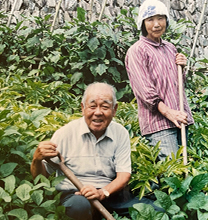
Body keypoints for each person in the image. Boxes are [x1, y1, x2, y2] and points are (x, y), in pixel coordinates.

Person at [30, 82, 156, 220]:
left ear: (114, 110)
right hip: (75, 195)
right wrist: (36, 159)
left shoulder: (120, 133)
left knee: (155, 209)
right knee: (79, 206)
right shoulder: (64, 134)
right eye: (92, 106)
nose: (98, 112)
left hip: (109, 194)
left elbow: (123, 175)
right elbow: (41, 178)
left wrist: (102, 193)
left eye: (105, 107)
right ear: (83, 108)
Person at [125, 0, 194, 160]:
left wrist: (181, 68)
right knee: (170, 173)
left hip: (179, 119)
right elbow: (145, 91)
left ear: (167, 20)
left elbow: (178, 85)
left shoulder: (170, 48)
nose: (156, 24)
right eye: (150, 20)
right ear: (142, 23)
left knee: (183, 173)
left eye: (160, 18)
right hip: (159, 125)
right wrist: (170, 113)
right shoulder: (137, 51)